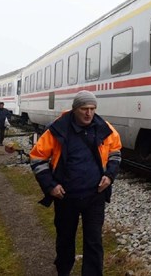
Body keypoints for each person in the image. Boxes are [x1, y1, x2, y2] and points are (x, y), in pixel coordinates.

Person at [29, 90, 122, 276]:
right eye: (84, 109)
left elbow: (115, 153)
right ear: (74, 109)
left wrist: (109, 176)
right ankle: (64, 271)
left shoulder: (105, 128)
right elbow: (37, 158)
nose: (89, 113)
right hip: (65, 196)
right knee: (65, 239)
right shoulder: (58, 129)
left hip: (95, 195)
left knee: (94, 241)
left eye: (92, 109)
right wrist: (51, 186)